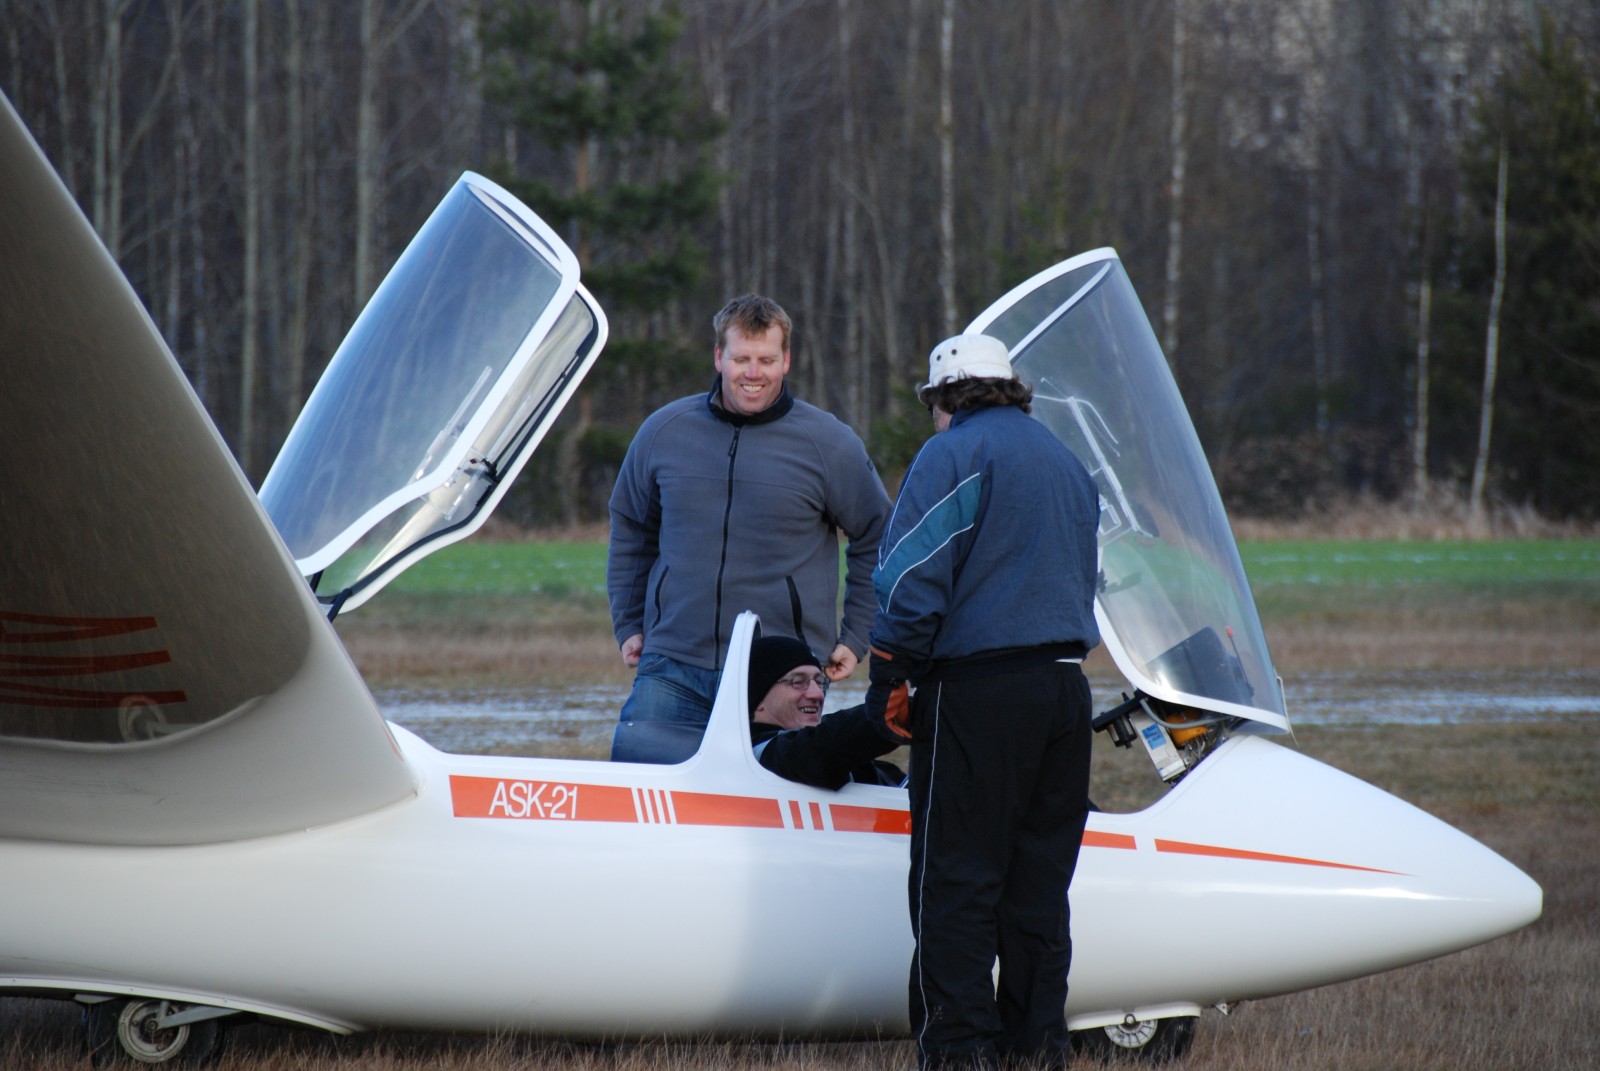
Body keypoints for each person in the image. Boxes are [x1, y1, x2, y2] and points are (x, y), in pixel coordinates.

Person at [865, 334, 1101, 1071]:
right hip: (1065, 692)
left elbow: (909, 575)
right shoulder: (1066, 462)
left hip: (979, 692)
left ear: (945, 399)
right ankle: (1038, 1046)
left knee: (956, 879)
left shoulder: (953, 453)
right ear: (1010, 388)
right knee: (1039, 886)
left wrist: (889, 672)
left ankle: (960, 1049)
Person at [607, 294, 891, 762]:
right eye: (741, 359)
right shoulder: (663, 432)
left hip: (783, 673)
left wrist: (856, 633)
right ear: (719, 356)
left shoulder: (829, 444)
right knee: (644, 794)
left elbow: (878, 535)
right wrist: (629, 622)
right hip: (672, 664)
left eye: (766, 360)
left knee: (774, 803)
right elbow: (632, 528)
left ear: (786, 360)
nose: (753, 373)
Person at [744, 635, 902, 789]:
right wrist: (896, 712)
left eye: (820, 683)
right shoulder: (760, 758)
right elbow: (823, 746)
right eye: (798, 682)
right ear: (757, 697)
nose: (817, 694)